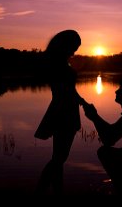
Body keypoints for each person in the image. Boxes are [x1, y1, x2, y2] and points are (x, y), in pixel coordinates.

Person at [34, 29, 88, 195]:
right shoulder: (58, 65)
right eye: (74, 47)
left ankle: (57, 191)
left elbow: (70, 90)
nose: (74, 52)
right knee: (59, 158)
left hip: (63, 109)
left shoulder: (60, 63)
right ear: (66, 45)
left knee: (59, 157)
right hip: (63, 112)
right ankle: (41, 189)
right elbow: (64, 90)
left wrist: (83, 102)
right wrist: (80, 102)